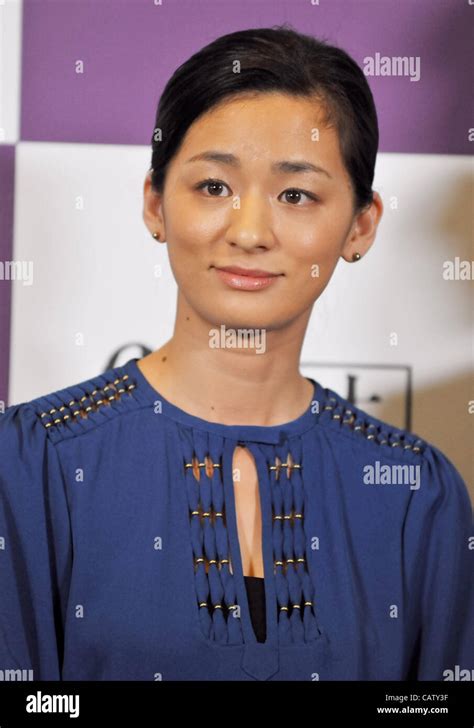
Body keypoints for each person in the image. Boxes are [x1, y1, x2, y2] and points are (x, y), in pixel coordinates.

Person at [0, 25, 472, 682]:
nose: (249, 232)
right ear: (154, 203)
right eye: (215, 187)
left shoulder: (419, 495)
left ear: (360, 225)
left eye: (296, 195)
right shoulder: (28, 462)